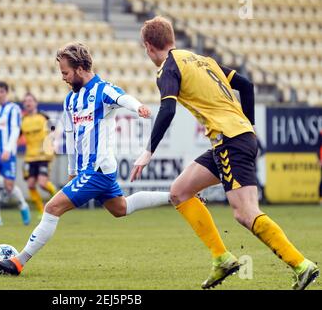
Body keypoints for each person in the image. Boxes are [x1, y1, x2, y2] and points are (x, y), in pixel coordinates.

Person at [130, 16, 319, 290]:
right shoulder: (203, 61)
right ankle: (222, 259)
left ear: (149, 46)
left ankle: (301, 265)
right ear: (171, 39)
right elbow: (246, 85)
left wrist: (148, 152)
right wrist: (249, 125)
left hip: (230, 140)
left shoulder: (167, 69)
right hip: (234, 138)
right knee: (180, 191)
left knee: (245, 212)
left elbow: (168, 109)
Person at [0, 43, 173, 275]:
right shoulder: (70, 100)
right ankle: (174, 195)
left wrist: (139, 107)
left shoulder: (102, 90)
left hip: (97, 169)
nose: (63, 78)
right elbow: (70, 136)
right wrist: (71, 170)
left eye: (65, 73)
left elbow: (123, 97)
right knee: (121, 208)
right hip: (92, 171)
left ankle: (18, 262)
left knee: (52, 208)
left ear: (79, 69)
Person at [0, 81, 31, 227]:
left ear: (6, 92)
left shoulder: (13, 109)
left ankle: (23, 205)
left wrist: (8, 149)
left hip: (7, 153)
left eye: (1, 92)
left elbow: (16, 129)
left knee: (9, 187)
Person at [21, 92, 57, 215]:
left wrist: (51, 145)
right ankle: (42, 211)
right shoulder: (23, 120)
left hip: (43, 156)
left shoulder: (43, 117)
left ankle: (57, 196)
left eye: (30, 100)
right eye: (26, 101)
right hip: (30, 157)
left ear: (35, 103)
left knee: (42, 183)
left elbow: (54, 132)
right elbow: (17, 136)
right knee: (30, 185)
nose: (28, 103)